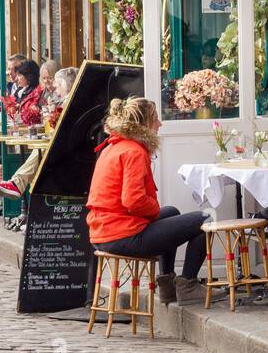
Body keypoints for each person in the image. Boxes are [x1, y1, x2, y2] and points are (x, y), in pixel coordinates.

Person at [86, 96, 207, 305]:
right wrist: (153, 209)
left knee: (171, 212)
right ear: (144, 124)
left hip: (104, 231)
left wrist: (156, 211)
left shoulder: (114, 147)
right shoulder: (134, 151)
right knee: (205, 219)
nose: (160, 124)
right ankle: (188, 285)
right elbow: (133, 200)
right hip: (122, 234)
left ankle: (167, 285)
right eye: (156, 119)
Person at [0, 67, 77, 197]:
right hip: (62, 147)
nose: (54, 85)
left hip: (67, 150)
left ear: (67, 85)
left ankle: (16, 185)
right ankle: (16, 185)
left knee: (41, 152)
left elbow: (60, 129)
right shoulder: (62, 100)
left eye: (58, 83)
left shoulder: (68, 102)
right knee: (39, 152)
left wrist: (49, 115)